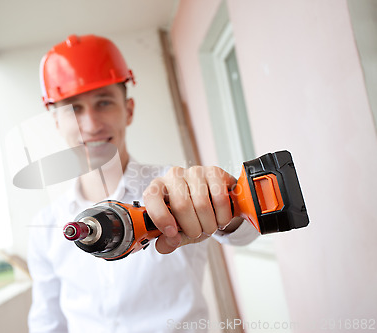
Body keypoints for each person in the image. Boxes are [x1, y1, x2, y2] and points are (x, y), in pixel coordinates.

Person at [27, 34, 259, 333]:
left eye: (104, 102)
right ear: (57, 122)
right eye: (74, 109)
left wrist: (228, 207)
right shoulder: (46, 227)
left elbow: (244, 235)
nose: (91, 124)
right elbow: (47, 322)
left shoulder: (176, 187)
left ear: (129, 110)